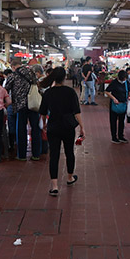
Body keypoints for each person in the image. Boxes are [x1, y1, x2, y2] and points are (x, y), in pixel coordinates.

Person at [38, 67, 83, 197]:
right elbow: (77, 111)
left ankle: (54, 186)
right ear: (64, 78)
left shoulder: (48, 93)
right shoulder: (70, 92)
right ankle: (69, 178)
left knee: (54, 155)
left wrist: (45, 125)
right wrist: (82, 127)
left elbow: (43, 112)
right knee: (69, 152)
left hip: (53, 126)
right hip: (68, 126)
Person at [5, 64, 42, 161]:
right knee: (35, 129)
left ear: (14, 67)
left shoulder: (13, 76)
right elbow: (38, 86)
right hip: (33, 104)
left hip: (20, 106)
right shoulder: (32, 74)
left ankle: (21, 155)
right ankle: (36, 154)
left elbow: (6, 89)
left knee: (21, 130)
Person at [105, 70, 130, 144]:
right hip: (115, 105)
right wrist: (113, 98)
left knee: (122, 121)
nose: (123, 81)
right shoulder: (114, 83)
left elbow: (129, 90)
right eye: (122, 79)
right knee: (113, 121)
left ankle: (121, 136)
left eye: (125, 79)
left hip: (123, 104)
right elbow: (107, 91)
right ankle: (114, 137)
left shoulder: (126, 82)